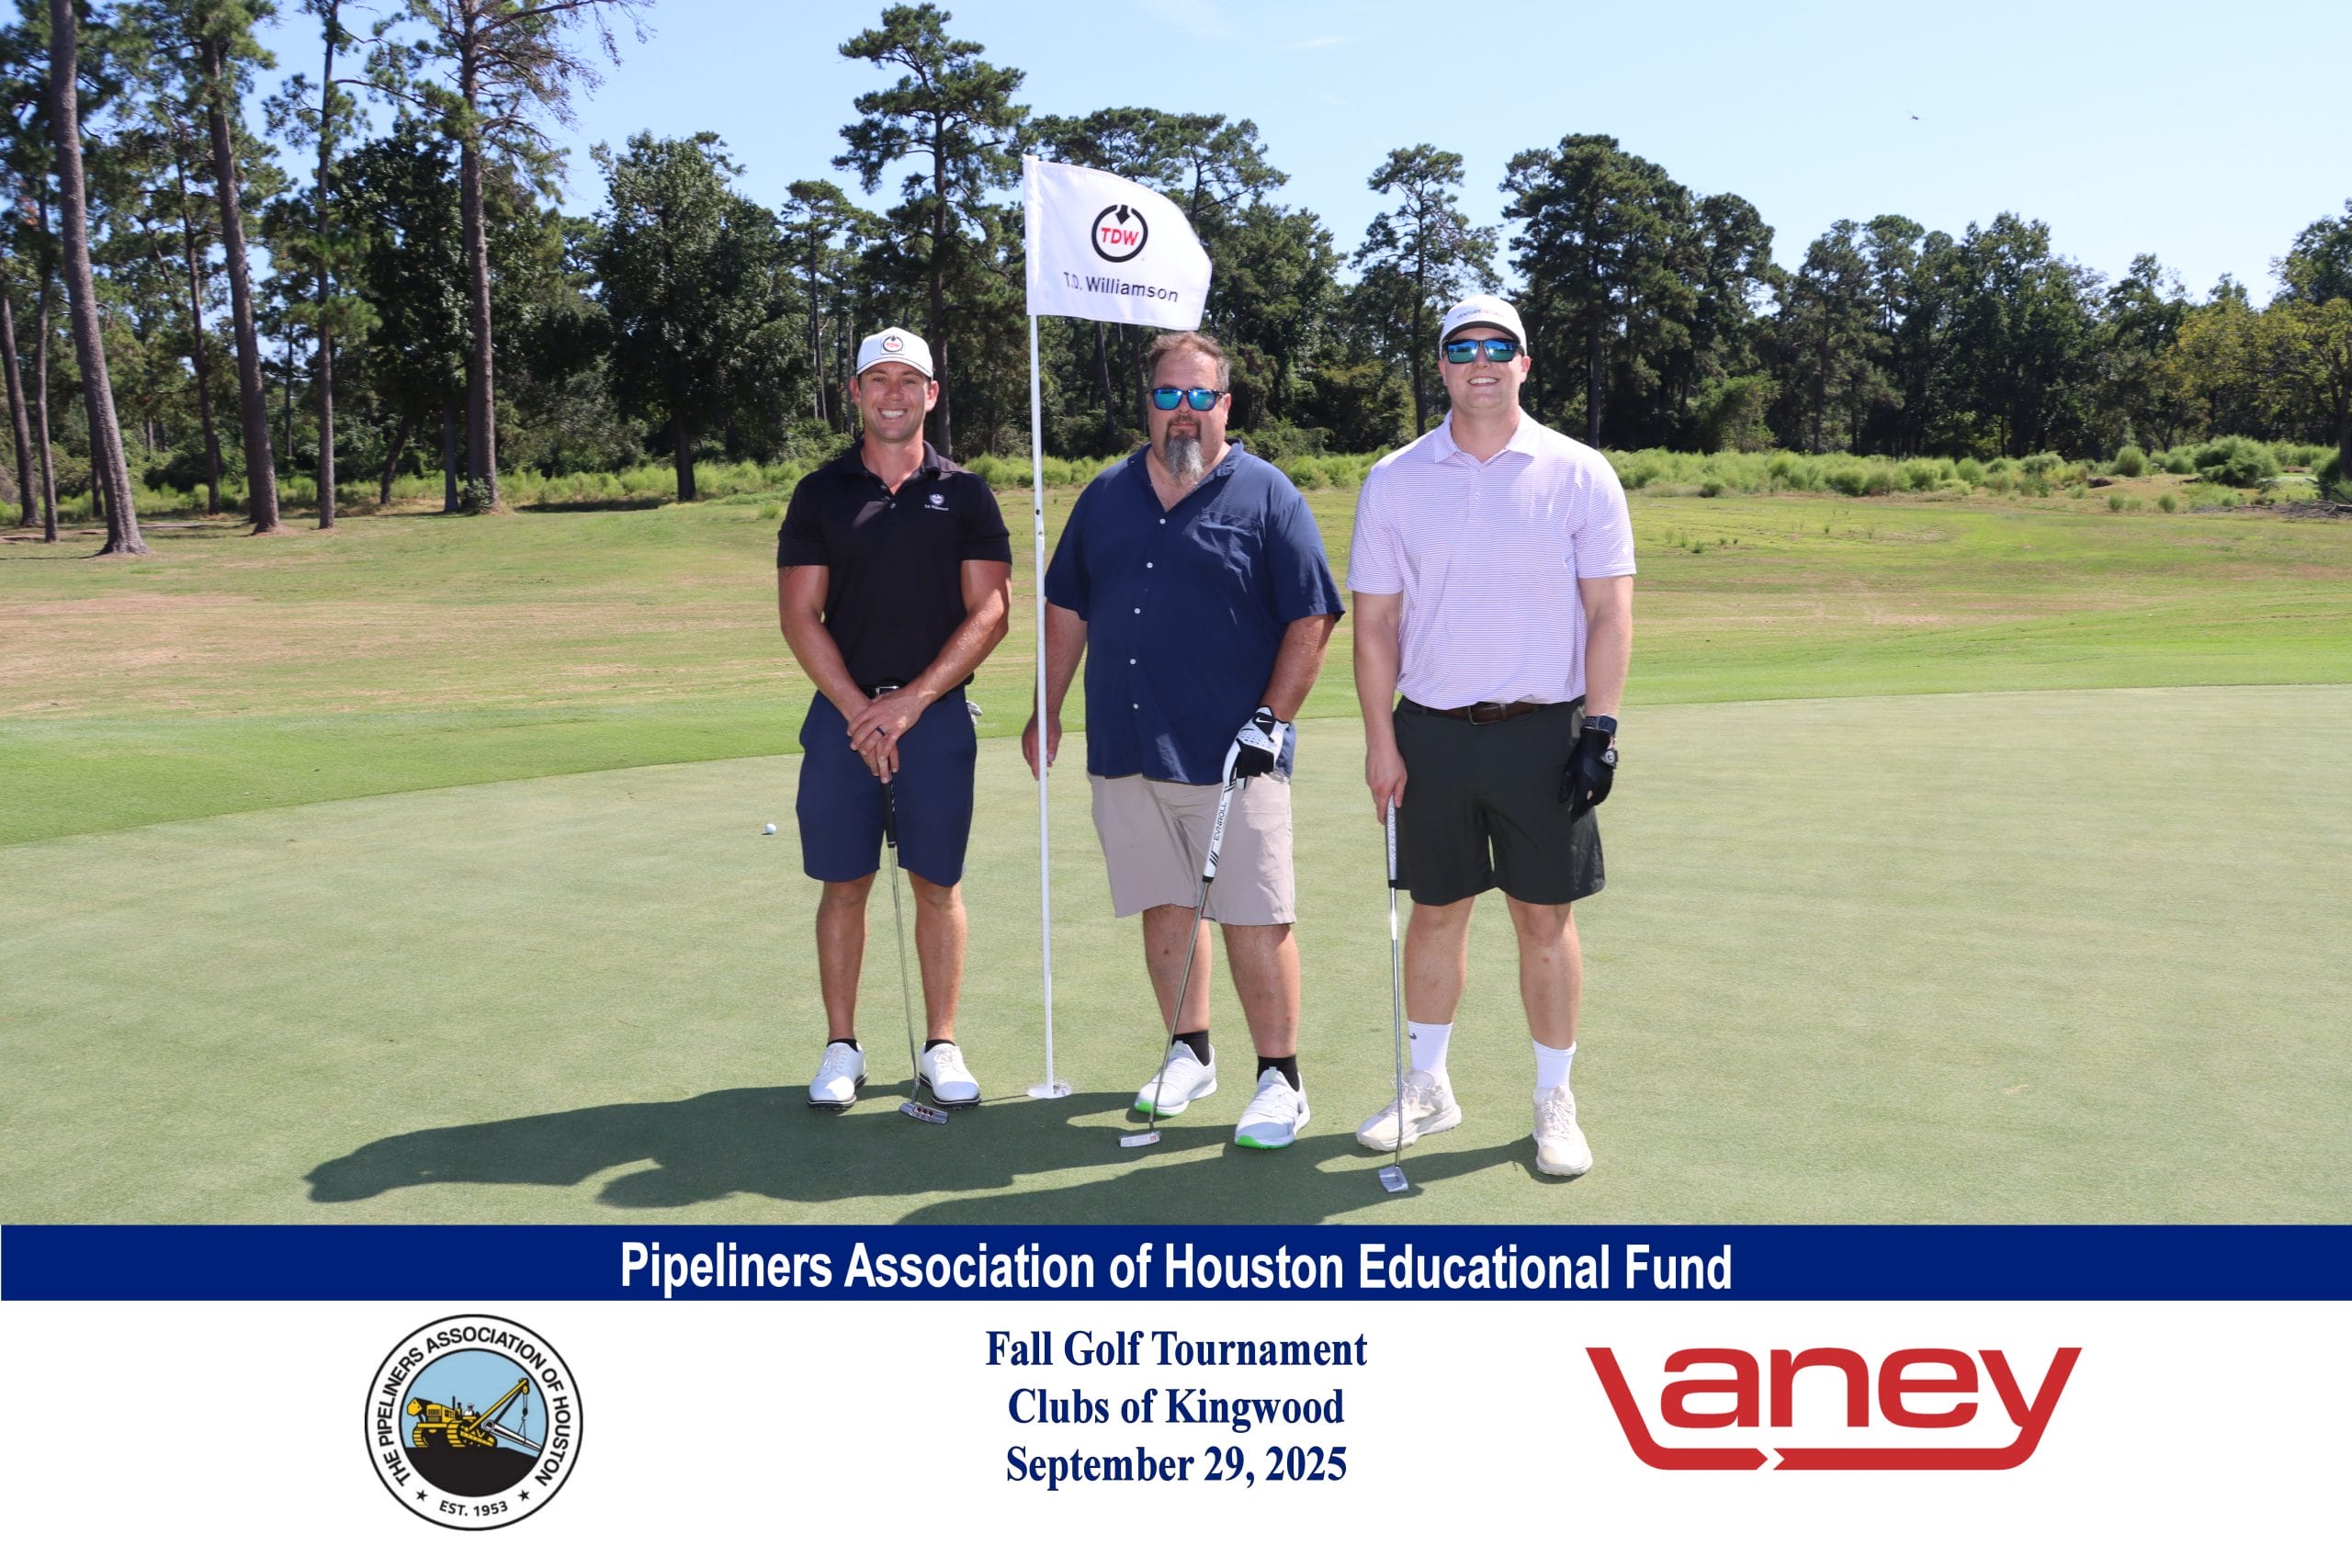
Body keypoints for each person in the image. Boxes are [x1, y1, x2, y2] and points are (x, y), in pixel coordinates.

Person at [1024, 331, 1342, 1149]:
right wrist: (1046, 707)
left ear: (1225, 405)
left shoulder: (1268, 494)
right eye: (1169, 395)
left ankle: (1281, 1079)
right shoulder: (1106, 494)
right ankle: (1189, 1052)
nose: (1184, 411)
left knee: (1254, 915)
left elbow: (1312, 614)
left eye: (1201, 396)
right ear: (1149, 404)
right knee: (1163, 903)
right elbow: (1068, 607)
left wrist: (1271, 719)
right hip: (1128, 744)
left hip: (1235, 754)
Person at [1346, 294, 1635, 1177]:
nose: (1481, 361)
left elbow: (1609, 610)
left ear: (1524, 363)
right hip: (1430, 731)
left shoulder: (1579, 471)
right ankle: (1429, 1086)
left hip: (1543, 731)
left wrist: (1601, 729)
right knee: (1436, 911)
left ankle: (1554, 1098)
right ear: (1441, 366)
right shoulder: (1394, 478)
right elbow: (1375, 625)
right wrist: (1380, 740)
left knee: (1544, 917)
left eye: (1498, 347)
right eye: (1463, 348)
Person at [776, 327, 1012, 1111]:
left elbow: (991, 612)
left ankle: (941, 1044)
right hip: (841, 716)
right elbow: (799, 614)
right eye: (877, 378)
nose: (893, 394)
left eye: (909, 380)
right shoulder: (820, 492)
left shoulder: (966, 493)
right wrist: (861, 711)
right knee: (845, 884)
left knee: (937, 883)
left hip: (935, 717)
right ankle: (842, 1047)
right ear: (855, 392)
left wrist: (909, 702)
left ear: (931, 394)